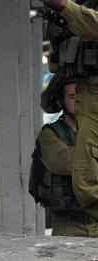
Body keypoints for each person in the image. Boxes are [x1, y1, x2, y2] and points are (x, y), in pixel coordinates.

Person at [32, 0, 98, 237]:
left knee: (86, 178)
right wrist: (59, 24)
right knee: (86, 180)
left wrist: (65, 7)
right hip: (88, 95)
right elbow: (61, 61)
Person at [29, 75, 87, 236]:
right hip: (70, 226)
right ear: (61, 100)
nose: (79, 100)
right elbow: (67, 163)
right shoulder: (50, 134)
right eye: (72, 96)